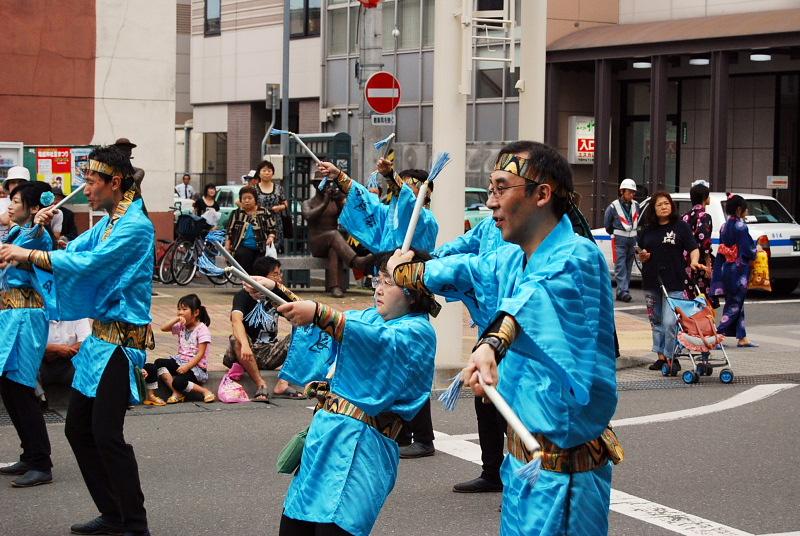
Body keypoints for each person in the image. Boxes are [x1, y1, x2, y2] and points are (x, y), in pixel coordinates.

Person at [386, 141, 621, 535]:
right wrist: (407, 272)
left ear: (542, 193)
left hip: (565, 474)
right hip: (526, 462)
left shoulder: (578, 256)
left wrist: (490, 344)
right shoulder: (512, 256)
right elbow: (466, 268)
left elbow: (533, 300)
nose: (491, 202)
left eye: (500, 188)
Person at [1, 145, 155, 535]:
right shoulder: (108, 225)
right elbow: (71, 250)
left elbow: (90, 265)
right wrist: (42, 230)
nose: (85, 189)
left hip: (122, 344)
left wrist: (27, 254)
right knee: (78, 430)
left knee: (106, 435)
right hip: (99, 345)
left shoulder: (135, 226)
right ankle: (113, 514)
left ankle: (134, 525)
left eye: (90, 181)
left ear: (114, 182)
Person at [267, 251, 437, 536]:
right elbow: (328, 320)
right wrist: (275, 290)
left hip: (363, 450)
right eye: (378, 280)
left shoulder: (417, 332)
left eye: (389, 282)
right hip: (325, 441)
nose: (379, 289)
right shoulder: (371, 316)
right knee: (294, 526)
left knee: (336, 529)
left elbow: (372, 338)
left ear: (413, 291)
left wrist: (321, 314)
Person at [318, 158, 439, 456]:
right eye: (401, 186)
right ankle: (396, 429)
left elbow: (410, 207)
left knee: (409, 362)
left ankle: (423, 437)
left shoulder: (425, 220)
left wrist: (394, 179)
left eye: (413, 188)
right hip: (387, 290)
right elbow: (368, 209)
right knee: (387, 359)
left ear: (427, 194)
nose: (404, 192)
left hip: (408, 297)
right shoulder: (391, 215)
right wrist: (341, 177)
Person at [431, 213, 507, 491]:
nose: (491, 201)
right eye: (491, 190)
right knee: (485, 400)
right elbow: (464, 245)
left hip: (521, 332)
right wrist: (434, 257)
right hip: (490, 328)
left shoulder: (531, 236)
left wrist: (427, 270)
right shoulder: (489, 225)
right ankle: (493, 471)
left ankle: (526, 484)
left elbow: (487, 267)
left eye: (500, 189)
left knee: (514, 406)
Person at [0, 181, 55, 488]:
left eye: (16, 201)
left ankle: (41, 462)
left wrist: (38, 223)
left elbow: (36, 240)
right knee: (7, 386)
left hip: (28, 317)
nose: (10, 205)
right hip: (9, 317)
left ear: (35, 208)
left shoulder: (38, 235)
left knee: (21, 387)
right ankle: (28, 454)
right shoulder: (15, 233)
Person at [638, 191, 703, 373]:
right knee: (656, 321)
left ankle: (671, 356)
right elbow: (640, 250)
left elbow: (693, 248)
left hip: (674, 282)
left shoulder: (680, 226)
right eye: (659, 205)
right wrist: (643, 256)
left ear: (671, 206)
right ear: (654, 209)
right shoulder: (648, 229)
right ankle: (660, 357)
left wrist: (695, 261)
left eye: (666, 203)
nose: (664, 207)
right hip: (651, 281)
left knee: (670, 322)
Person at [224, 256, 302, 402]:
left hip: (270, 352)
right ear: (262, 277)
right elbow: (236, 321)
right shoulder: (244, 295)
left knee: (302, 331)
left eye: (280, 274)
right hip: (245, 352)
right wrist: (246, 345)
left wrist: (280, 291)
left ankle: (282, 384)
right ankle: (261, 384)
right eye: (275, 274)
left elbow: (300, 309)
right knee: (236, 338)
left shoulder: (276, 296)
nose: (280, 278)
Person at [319, 159, 438, 255]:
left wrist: (389, 175)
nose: (402, 196)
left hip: (412, 275)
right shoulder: (388, 214)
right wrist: (338, 175)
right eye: (401, 189)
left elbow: (409, 203)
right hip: (386, 274)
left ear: (424, 195)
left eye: (409, 191)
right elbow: (367, 202)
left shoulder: (427, 219)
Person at [302, 179, 373, 297]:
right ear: (315, 186)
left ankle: (335, 287)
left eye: (328, 184)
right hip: (317, 243)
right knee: (334, 234)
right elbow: (309, 216)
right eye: (322, 184)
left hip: (333, 243)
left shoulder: (333, 202)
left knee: (334, 249)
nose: (326, 187)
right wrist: (324, 203)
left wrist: (340, 200)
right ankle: (356, 261)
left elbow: (348, 217)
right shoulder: (308, 203)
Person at [142, 294, 215, 405]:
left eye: (184, 309)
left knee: (179, 382)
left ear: (196, 313)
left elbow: (201, 353)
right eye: (179, 309)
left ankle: (205, 391)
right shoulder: (181, 325)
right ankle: (176, 393)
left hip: (195, 367)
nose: (180, 312)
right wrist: (176, 319)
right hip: (180, 361)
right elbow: (163, 328)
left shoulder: (202, 329)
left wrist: (187, 367)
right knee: (159, 363)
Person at [711, 194, 758, 348]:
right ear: (739, 209)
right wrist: (757, 249)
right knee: (735, 304)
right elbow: (748, 249)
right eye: (745, 208)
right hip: (739, 270)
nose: (747, 211)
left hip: (727, 268)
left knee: (736, 301)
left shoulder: (724, 226)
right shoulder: (741, 226)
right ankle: (718, 334)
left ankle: (742, 337)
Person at [38, 319, 92, 408]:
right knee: (25, 364)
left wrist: (65, 351)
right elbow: (31, 345)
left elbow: (86, 341)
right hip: (42, 361)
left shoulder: (77, 310)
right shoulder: (37, 313)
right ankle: (40, 399)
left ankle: (84, 404)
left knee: (89, 362)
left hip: (71, 360)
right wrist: (56, 349)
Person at [224, 186, 277, 274]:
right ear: (240, 200)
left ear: (255, 199)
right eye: (244, 198)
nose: (247, 201)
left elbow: (272, 229)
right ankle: (248, 286)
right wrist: (227, 247)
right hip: (243, 247)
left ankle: (256, 286)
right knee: (245, 269)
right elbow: (229, 231)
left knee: (259, 269)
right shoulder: (236, 213)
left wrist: (271, 237)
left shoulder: (264, 212)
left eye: (249, 198)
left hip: (262, 248)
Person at [682, 182, 718, 308]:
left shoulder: (685, 216)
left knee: (689, 295)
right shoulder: (704, 216)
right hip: (700, 263)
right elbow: (705, 243)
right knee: (702, 296)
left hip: (686, 261)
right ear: (705, 198)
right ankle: (702, 324)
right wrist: (708, 265)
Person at [604, 178, 640, 302]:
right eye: (629, 192)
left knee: (628, 265)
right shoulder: (613, 206)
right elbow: (607, 225)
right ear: (622, 192)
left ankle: (623, 290)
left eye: (633, 192)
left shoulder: (636, 205)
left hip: (632, 239)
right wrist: (615, 233)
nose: (632, 194)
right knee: (620, 266)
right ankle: (623, 291)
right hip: (619, 239)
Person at [254, 160, 289, 253]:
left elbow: (285, 203)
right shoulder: (254, 189)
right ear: (259, 173)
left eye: (269, 171)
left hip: (276, 222)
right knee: (260, 249)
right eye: (264, 170)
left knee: (275, 249)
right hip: (259, 221)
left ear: (273, 173)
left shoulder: (279, 188)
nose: (267, 173)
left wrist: (279, 208)